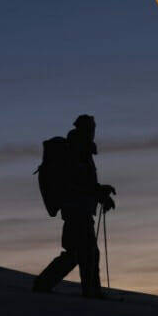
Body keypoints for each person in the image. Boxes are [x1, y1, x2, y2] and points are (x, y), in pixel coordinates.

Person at [32, 115, 116, 298]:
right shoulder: (76, 151)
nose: (92, 132)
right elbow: (76, 183)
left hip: (79, 209)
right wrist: (99, 192)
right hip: (76, 209)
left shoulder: (81, 151)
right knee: (82, 253)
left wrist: (101, 193)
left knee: (84, 252)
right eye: (90, 128)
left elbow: (84, 183)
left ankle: (87, 290)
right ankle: (86, 291)